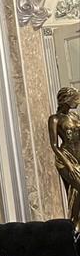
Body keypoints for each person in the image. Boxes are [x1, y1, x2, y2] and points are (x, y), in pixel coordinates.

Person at [50, 86, 80, 229]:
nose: (78, 102)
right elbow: (54, 145)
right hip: (65, 159)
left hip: (78, 157)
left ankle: (74, 225)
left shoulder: (75, 116)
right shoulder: (54, 119)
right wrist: (68, 164)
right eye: (75, 99)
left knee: (75, 191)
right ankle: (74, 223)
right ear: (66, 100)